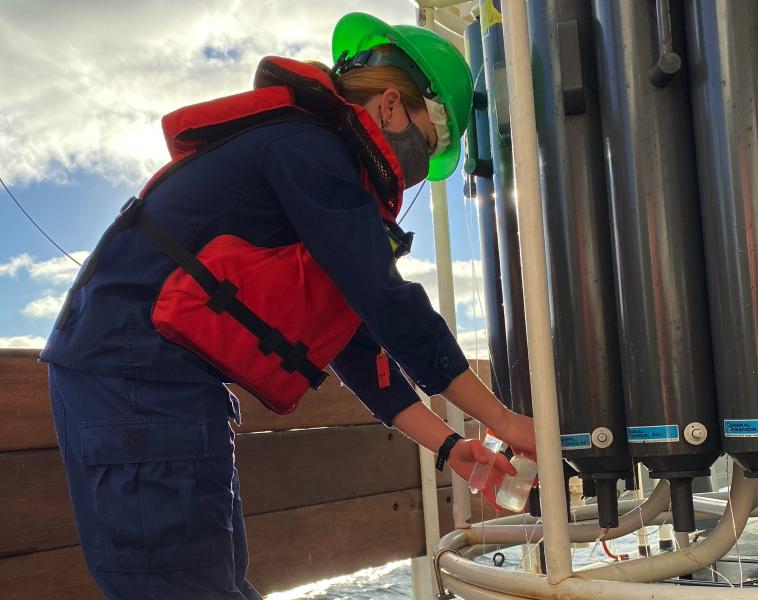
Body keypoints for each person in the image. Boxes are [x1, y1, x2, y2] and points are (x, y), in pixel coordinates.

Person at [41, 12, 536, 599]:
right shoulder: (307, 147)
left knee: (215, 584)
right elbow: (386, 300)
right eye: (426, 146)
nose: (415, 171)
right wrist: (503, 419)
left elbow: (358, 348)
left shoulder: (313, 162)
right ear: (394, 106)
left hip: (159, 386)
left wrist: (453, 446)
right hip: (136, 383)